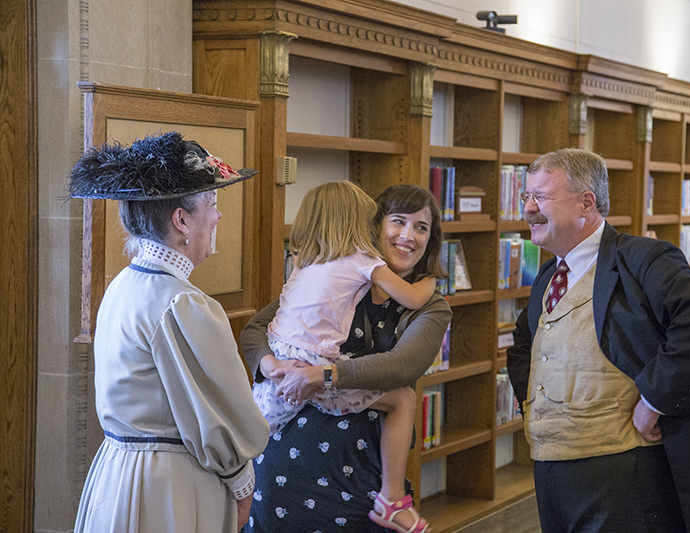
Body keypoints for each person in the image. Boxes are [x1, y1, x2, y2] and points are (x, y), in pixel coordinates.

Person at [506, 148, 690, 532]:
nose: (528, 209)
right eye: (526, 197)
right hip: (550, 470)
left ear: (586, 203)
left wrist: (654, 399)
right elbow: (523, 348)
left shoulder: (642, 258)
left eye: (540, 197)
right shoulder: (547, 276)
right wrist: (534, 410)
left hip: (622, 472)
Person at [69, 132, 271, 532]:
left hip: (120, 473)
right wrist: (242, 485)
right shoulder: (181, 303)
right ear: (181, 220)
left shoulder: (124, 284)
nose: (218, 217)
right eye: (212, 205)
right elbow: (224, 417)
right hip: (167, 488)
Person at [240, 184, 452, 532]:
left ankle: (391, 500)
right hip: (279, 479)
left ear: (431, 239)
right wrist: (272, 365)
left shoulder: (431, 307)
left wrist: (320, 376)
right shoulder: (337, 276)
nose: (408, 236)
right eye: (398, 221)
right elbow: (256, 329)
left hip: (358, 485)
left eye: (421, 227)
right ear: (374, 225)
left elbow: (404, 366)